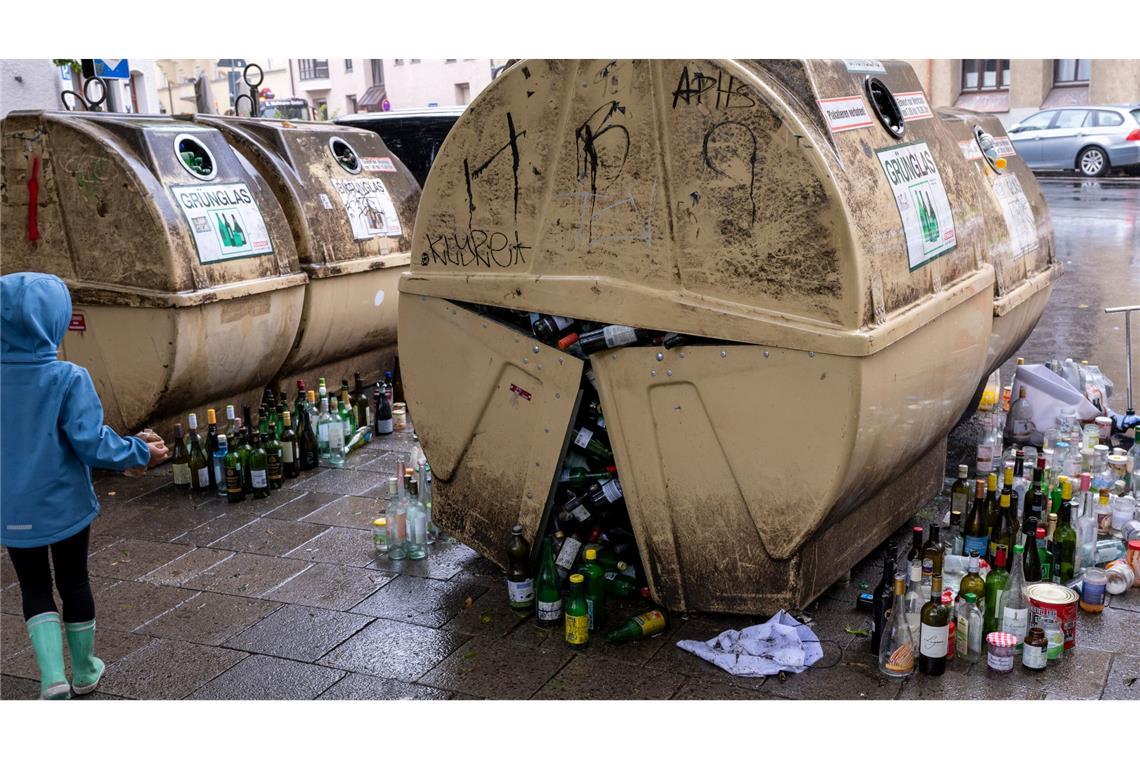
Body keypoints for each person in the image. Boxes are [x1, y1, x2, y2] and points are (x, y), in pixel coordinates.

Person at [1, 273, 168, 699]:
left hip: (12, 509)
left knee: (33, 586)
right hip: (65, 504)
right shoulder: (68, 377)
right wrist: (139, 453)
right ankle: (86, 670)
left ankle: (52, 677)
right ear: (55, 321)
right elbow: (91, 442)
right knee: (74, 582)